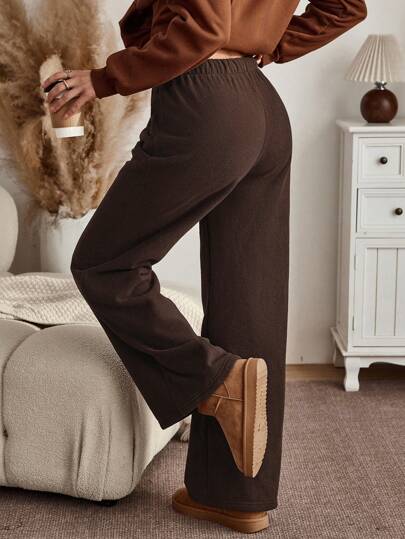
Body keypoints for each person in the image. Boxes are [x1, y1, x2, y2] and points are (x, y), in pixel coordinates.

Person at [41, 0, 367, 534]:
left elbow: (207, 26)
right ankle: (235, 496)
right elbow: (348, 6)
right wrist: (271, 41)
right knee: (249, 296)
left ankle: (216, 379)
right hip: (259, 104)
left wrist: (104, 80)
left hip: (203, 99)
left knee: (105, 264)